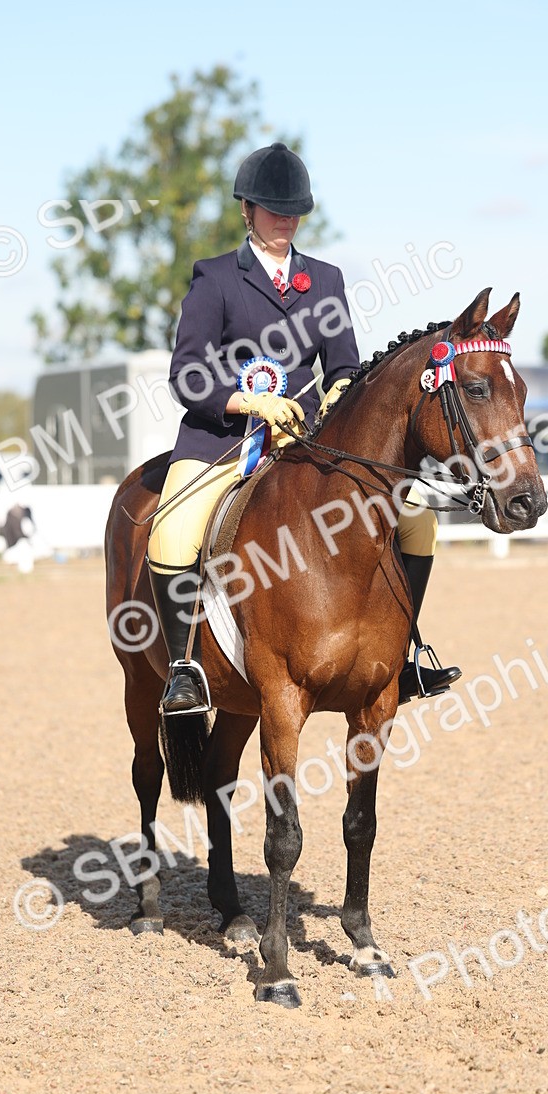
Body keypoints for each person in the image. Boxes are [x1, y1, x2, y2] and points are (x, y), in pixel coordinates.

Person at [149, 142, 460, 714]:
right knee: (171, 531)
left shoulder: (326, 279)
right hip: (224, 441)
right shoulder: (215, 279)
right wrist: (248, 402)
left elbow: (344, 365)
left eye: (293, 211)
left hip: (311, 440)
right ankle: (183, 670)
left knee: (417, 523)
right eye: (273, 210)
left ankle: (404, 654)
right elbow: (186, 374)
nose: (284, 221)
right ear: (247, 209)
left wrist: (343, 394)